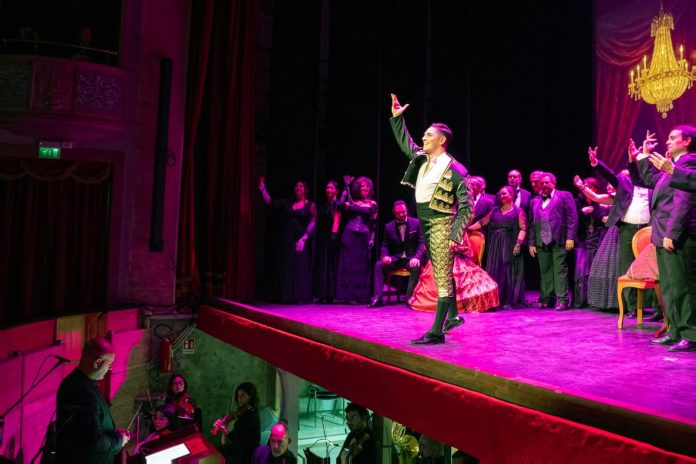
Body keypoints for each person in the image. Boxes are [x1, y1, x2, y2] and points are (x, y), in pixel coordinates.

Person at [390, 93, 472, 345]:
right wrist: (397, 119)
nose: (423, 138)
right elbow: (406, 143)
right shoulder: (421, 158)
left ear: (442, 140)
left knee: (442, 277)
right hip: (424, 222)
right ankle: (453, 315)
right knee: (440, 270)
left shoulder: (455, 169)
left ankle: (436, 332)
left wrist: (454, 234)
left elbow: (467, 206)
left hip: (441, 224)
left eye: (428, 135)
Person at [638, 127, 696, 352]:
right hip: (663, 234)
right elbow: (649, 180)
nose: (668, 142)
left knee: (683, 287)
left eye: (673, 138)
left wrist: (673, 233)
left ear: (687, 141)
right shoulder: (673, 166)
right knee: (670, 287)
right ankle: (675, 331)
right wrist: (644, 156)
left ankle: (691, 334)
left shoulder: (689, 162)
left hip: (678, 235)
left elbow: (684, 202)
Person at [588, 145, 651, 317]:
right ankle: (631, 307)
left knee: (648, 267)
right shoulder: (624, 186)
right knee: (628, 268)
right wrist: (596, 163)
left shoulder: (650, 185)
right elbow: (609, 175)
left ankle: (650, 306)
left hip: (647, 231)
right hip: (628, 230)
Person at [55, 337, 129, 463]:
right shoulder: (82, 392)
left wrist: (114, 434)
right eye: (109, 365)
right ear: (97, 363)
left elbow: (88, 429)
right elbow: (93, 441)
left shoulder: (79, 383)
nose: (109, 370)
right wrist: (119, 441)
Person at [407, 232, 499, 313]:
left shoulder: (459, 229)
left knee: (483, 284)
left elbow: (466, 249)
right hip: (440, 260)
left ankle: (453, 309)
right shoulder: (438, 228)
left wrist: (453, 247)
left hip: (457, 259)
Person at [260, 179, 317, 304]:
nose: (298, 188)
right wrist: (263, 189)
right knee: (288, 264)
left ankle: (299, 297)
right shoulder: (287, 202)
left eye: (301, 186)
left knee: (299, 266)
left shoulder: (310, 205)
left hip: (299, 239)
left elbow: (313, 222)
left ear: (306, 190)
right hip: (286, 238)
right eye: (296, 186)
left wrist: (304, 238)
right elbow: (271, 202)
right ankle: (286, 296)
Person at [468, 186, 526, 308]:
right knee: (494, 269)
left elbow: (523, 229)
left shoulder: (518, 211)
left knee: (507, 270)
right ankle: (494, 299)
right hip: (495, 246)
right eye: (500, 194)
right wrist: (467, 229)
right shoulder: (494, 210)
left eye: (504, 194)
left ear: (512, 195)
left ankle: (507, 300)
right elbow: (482, 223)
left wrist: (518, 244)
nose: (501, 196)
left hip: (509, 245)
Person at [527, 172, 578, 310]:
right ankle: (548, 298)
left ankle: (562, 300)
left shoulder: (564, 196)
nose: (544, 185)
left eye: (547, 182)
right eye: (541, 183)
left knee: (560, 270)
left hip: (559, 239)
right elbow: (531, 224)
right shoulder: (534, 201)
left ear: (554, 183)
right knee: (545, 271)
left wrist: (570, 237)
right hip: (541, 240)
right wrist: (531, 243)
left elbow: (572, 218)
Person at [368, 200, 426, 307]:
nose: (402, 214)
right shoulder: (388, 227)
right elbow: (384, 245)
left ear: (406, 210)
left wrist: (417, 257)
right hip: (396, 258)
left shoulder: (416, 223)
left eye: (403, 212)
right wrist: (385, 256)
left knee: (416, 267)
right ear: (394, 213)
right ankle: (378, 298)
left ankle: (409, 298)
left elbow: (421, 243)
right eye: (398, 213)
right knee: (378, 265)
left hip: (411, 258)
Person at [335, 177, 378, 304]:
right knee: (348, 265)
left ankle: (360, 296)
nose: (364, 188)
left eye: (367, 186)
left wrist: (372, 238)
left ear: (370, 189)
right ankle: (347, 296)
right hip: (349, 234)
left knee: (362, 266)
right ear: (358, 188)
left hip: (364, 236)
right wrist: (345, 189)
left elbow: (374, 224)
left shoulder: (372, 204)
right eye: (362, 186)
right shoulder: (352, 202)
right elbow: (340, 205)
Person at [571, 177, 607, 308]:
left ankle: (594, 301)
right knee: (581, 270)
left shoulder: (599, 203)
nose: (587, 189)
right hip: (583, 239)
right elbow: (571, 219)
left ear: (595, 190)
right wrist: (581, 212)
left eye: (590, 187)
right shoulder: (576, 202)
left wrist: (596, 212)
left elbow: (602, 219)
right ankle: (580, 300)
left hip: (597, 240)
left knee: (595, 271)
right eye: (585, 186)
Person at [213, 382, 262, 463]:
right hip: (239, 449)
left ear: (251, 397)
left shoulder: (251, 416)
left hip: (246, 456)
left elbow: (237, 436)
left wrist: (224, 431)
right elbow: (239, 432)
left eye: (243, 395)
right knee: (213, 451)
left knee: (216, 457)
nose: (239, 399)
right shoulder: (246, 411)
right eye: (238, 395)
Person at [313, 179, 343, 303]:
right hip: (322, 236)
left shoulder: (336, 204)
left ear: (337, 191)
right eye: (327, 188)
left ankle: (330, 294)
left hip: (331, 236)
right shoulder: (326, 204)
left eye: (331, 188)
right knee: (322, 264)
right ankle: (322, 293)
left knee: (330, 264)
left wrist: (333, 236)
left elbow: (337, 220)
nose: (329, 190)